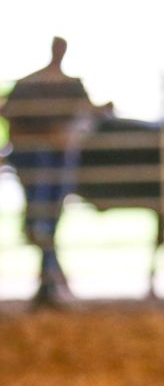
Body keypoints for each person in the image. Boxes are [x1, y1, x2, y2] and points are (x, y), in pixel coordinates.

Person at [1, 37, 100, 308]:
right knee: (44, 219)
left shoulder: (42, 85)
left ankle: (51, 281)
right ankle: (53, 280)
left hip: (49, 162)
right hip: (42, 161)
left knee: (45, 219)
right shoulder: (46, 85)